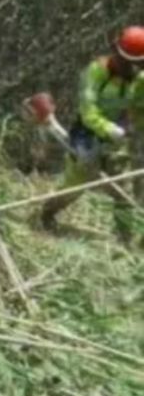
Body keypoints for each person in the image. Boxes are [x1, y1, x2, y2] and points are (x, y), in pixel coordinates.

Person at [39, 25, 144, 243]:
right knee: (77, 183)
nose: (133, 68)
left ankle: (124, 240)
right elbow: (88, 111)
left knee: (121, 192)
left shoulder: (140, 79)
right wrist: (108, 129)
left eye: (138, 64)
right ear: (117, 53)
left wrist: (133, 128)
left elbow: (139, 108)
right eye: (129, 63)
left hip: (119, 139)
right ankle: (47, 214)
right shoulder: (96, 71)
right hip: (87, 135)